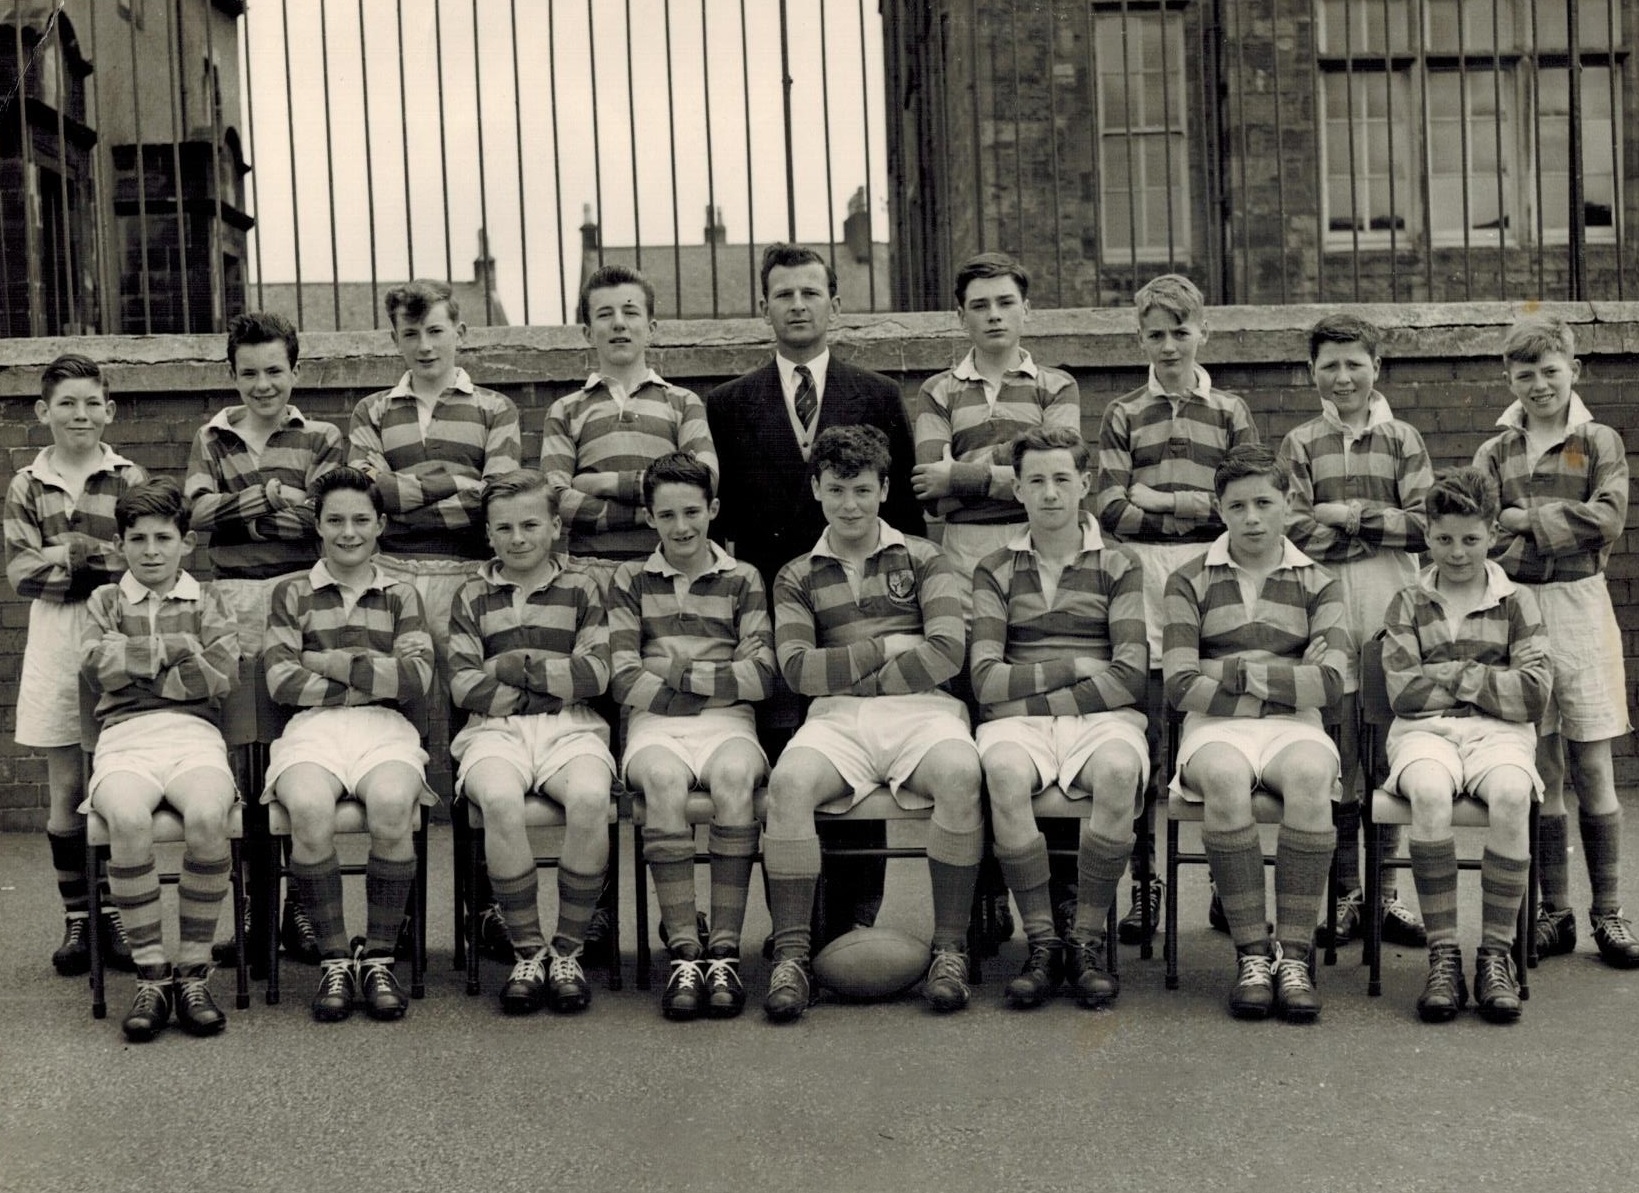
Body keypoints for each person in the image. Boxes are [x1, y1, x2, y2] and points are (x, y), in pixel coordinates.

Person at [706, 243, 925, 943]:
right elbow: (727, 519)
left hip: (860, 606)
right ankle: (794, 921)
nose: (796, 304)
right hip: (775, 601)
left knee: (860, 752)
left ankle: (854, 919)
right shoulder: (730, 403)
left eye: (809, 292)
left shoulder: (878, 395)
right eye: (782, 293)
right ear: (761, 306)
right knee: (788, 759)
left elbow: (906, 521)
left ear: (836, 303)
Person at [762, 425, 982, 1022]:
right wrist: (886, 649)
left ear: (885, 489)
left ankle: (949, 950)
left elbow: (945, 654)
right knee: (786, 787)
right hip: (837, 720)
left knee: (962, 775)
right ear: (816, 490)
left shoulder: (924, 555)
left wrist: (849, 664)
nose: (850, 505)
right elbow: (798, 671)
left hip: (924, 711)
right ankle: (792, 957)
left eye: (862, 489)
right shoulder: (795, 575)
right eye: (836, 490)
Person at [348, 278, 521, 956]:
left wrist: (408, 491)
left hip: (472, 579)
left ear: (461, 333)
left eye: (436, 331)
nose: (424, 345)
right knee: (404, 738)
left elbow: (499, 496)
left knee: (477, 741)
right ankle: (406, 912)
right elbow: (365, 494)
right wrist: (455, 482)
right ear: (394, 339)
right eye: (410, 334)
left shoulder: (493, 406)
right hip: (392, 580)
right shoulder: (371, 409)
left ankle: (487, 909)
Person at [1096, 274, 1258, 943]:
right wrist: (1181, 505)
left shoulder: (1229, 410)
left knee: (1207, 722)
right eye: (1155, 334)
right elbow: (1108, 505)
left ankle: (1223, 881)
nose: (1168, 345)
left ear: (1203, 332)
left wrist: (1160, 500)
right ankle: (1145, 885)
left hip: (1211, 571)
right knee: (1147, 731)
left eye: (1179, 332)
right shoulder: (1123, 412)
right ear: (1140, 337)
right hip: (1140, 573)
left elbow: (1243, 501)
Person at [1473, 314, 1639, 968]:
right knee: (1541, 769)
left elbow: (1606, 518)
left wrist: (1523, 522)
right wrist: (1511, 530)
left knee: (1592, 764)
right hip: (1515, 607)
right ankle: (1555, 912)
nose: (1538, 383)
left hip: (1579, 602)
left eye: (1549, 370)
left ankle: (1609, 912)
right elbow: (1479, 531)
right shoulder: (1495, 451)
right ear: (1506, 376)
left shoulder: (1596, 440)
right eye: (1524, 373)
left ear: (1574, 368)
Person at [1163, 444, 1347, 1023]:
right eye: (1238, 505)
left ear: (1288, 503)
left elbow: (1333, 683)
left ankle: (1293, 954)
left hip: (1295, 729)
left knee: (1313, 778)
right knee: (1222, 777)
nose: (1252, 517)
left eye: (1265, 502)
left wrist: (1227, 669)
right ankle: (1250, 954)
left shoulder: (1321, 581)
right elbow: (1178, 684)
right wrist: (1287, 674)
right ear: (1219, 509)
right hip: (1215, 728)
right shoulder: (1187, 579)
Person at [185, 310, 344, 965]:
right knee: (245, 768)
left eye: (274, 370)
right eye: (248, 372)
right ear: (232, 374)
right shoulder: (212, 436)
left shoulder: (323, 436)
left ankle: (304, 912)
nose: (262, 383)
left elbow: (324, 519)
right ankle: (253, 918)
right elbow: (193, 516)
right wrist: (264, 500)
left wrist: (252, 507)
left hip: (302, 599)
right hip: (228, 602)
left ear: (295, 370)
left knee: (298, 755)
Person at [970, 427, 1148, 1009]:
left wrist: (1027, 691)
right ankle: (1043, 943)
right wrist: (1075, 664)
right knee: (1001, 772)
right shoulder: (993, 568)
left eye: (1062, 480)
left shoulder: (1120, 565)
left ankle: (1086, 940)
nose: (1050, 494)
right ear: (1017, 490)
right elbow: (985, 681)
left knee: (1120, 772)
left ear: (1085, 485)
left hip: (1103, 720)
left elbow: (1128, 676)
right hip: (1022, 726)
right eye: (1036, 482)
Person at [1278, 313, 1430, 949]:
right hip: (1327, 605)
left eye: (1354, 364)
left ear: (1376, 367)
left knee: (1386, 748)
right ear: (1312, 372)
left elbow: (1422, 523)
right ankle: (1346, 894)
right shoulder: (1301, 442)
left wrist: (1348, 514)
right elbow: (1293, 527)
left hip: (1393, 602)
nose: (1342, 377)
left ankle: (1387, 897)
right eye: (1329, 366)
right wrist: (1365, 524)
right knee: (1340, 751)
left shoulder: (1403, 438)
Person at [262, 467, 435, 1023]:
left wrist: (329, 663)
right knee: (309, 810)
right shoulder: (291, 592)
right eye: (335, 520)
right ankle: (336, 961)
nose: (348, 532)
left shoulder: (401, 594)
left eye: (361, 519)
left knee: (390, 808)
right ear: (317, 526)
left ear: (381, 525)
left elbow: (415, 680)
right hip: (311, 728)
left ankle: (379, 958)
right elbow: (281, 682)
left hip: (385, 729)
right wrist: (370, 675)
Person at [1381, 467, 1551, 1023]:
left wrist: (1452, 675)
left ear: (1493, 536)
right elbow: (1405, 694)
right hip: (1424, 733)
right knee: (1428, 792)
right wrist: (1485, 681)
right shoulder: (1407, 601)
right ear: (1427, 535)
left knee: (1510, 794)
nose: (1458, 553)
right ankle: (1444, 956)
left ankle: (1495, 956)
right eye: (1445, 539)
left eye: (1471, 539)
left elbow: (1532, 696)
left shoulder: (1517, 601)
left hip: (1500, 735)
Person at [609, 452, 775, 1020]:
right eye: (667, 515)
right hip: (655, 725)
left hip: (728, 724)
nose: (681, 527)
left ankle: (724, 947)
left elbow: (759, 675)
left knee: (733, 779)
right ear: (649, 518)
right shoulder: (629, 579)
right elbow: (623, 674)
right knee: (661, 782)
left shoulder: (743, 578)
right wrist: (710, 682)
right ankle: (683, 945)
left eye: (692, 512)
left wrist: (677, 675)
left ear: (713, 510)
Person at [445, 470, 616, 1016]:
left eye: (530, 525)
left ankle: (566, 951)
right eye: (504, 529)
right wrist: (548, 679)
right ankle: (527, 951)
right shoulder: (471, 592)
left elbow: (594, 675)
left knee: (590, 800)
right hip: (494, 731)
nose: (518, 538)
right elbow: (465, 685)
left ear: (556, 527)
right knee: (498, 801)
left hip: (572, 727)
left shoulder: (584, 588)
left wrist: (510, 665)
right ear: (489, 535)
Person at [80, 479, 239, 1042]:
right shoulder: (104, 601)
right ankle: (151, 974)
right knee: (126, 819)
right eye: (138, 538)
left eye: (163, 538)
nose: (151, 550)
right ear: (121, 544)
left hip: (195, 736)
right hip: (124, 738)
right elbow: (99, 668)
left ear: (185, 542)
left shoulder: (210, 599)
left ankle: (192, 970)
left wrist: (137, 669)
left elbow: (221, 673)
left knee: (205, 817)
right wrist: (179, 650)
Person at [4, 352, 147, 977]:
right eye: (67, 403)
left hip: (115, 630)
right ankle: (78, 920)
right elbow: (22, 575)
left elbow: (141, 563)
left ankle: (114, 914)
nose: (80, 414)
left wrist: (68, 551)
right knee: (65, 785)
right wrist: (95, 556)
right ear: (43, 412)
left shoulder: (128, 476)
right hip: (56, 641)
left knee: (111, 779)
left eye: (92, 402)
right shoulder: (27, 483)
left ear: (109, 410)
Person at [911, 252, 1081, 617]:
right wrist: (1021, 469)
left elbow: (1055, 480)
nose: (994, 314)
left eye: (1005, 302)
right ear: (961, 317)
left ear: (1027, 309)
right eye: (979, 305)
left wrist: (959, 476)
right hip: (964, 554)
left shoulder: (1056, 386)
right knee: (974, 660)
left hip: (1038, 540)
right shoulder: (938, 391)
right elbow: (932, 496)